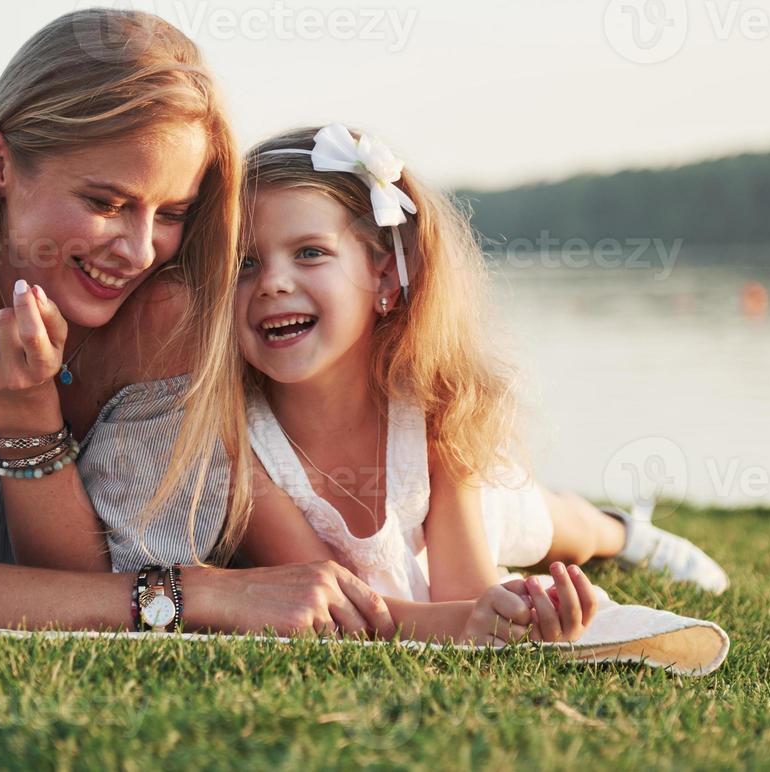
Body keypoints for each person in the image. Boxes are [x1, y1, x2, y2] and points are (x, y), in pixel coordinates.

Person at [0, 9, 400, 637]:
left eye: (172, 213)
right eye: (106, 203)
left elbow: (103, 583)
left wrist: (27, 415)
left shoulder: (171, 313)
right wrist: (209, 593)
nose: (139, 250)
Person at [231, 124, 729, 640]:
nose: (272, 283)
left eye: (310, 252)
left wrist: (498, 611)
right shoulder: (236, 445)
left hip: (481, 509)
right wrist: (493, 617)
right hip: (386, 569)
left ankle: (625, 534)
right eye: (244, 263)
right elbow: (342, 610)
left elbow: (464, 590)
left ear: (383, 277)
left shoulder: (435, 406)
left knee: (554, 524)